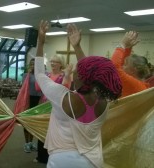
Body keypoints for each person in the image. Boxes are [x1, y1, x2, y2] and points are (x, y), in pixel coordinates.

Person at [35, 20, 122, 168]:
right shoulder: (103, 102)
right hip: (93, 161)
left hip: (62, 160)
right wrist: (77, 46)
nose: (74, 72)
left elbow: (39, 74)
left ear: (81, 77)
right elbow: (90, 71)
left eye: (75, 71)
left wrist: (40, 43)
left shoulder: (61, 96)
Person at [33, 55, 71, 164]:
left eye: (55, 62)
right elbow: (37, 88)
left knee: (53, 132)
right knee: (42, 131)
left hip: (56, 109)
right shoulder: (47, 75)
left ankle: (51, 156)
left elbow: (66, 89)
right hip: (43, 107)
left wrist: (67, 75)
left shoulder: (64, 76)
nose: (53, 63)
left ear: (60, 64)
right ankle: (41, 156)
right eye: (52, 61)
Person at [111, 31, 151, 97]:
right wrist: (128, 48)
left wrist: (122, 45)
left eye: (126, 65)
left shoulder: (134, 84)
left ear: (134, 70)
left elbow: (114, 67)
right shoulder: (138, 83)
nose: (122, 66)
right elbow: (120, 64)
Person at [18, 58, 41, 153]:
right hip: (28, 100)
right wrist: (29, 74)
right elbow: (23, 88)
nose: (32, 65)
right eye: (31, 64)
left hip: (38, 100)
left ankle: (31, 143)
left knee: (33, 123)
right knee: (26, 122)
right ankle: (26, 143)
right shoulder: (26, 75)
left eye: (34, 64)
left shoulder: (41, 75)